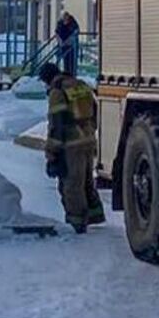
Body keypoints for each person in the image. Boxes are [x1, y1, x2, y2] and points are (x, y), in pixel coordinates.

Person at [41, 62, 105, 233]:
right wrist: (91, 130)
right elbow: (95, 109)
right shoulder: (81, 85)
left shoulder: (57, 92)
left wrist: (52, 152)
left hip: (71, 144)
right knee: (86, 180)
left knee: (71, 184)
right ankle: (95, 214)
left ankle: (76, 222)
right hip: (88, 140)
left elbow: (57, 123)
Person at [54, 10, 80, 77]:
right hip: (63, 45)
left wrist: (68, 41)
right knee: (65, 61)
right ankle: (66, 74)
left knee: (72, 61)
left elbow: (76, 32)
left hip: (71, 46)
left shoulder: (72, 22)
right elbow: (57, 33)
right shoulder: (60, 23)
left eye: (66, 17)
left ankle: (72, 75)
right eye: (64, 18)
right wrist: (60, 42)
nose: (65, 19)